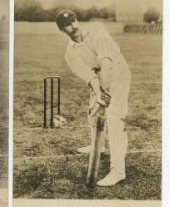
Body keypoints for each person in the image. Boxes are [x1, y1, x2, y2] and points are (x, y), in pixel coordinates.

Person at [55, 10, 131, 186]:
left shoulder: (96, 29)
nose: (73, 26)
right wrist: (99, 94)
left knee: (114, 119)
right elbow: (89, 76)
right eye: (68, 24)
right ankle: (99, 146)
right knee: (93, 112)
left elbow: (106, 61)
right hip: (100, 78)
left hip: (118, 74)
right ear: (62, 30)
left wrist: (105, 93)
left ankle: (118, 171)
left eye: (74, 21)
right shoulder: (70, 54)